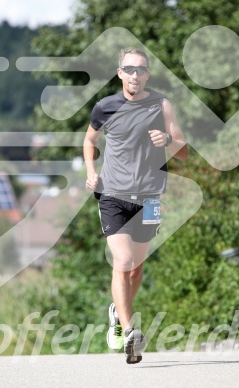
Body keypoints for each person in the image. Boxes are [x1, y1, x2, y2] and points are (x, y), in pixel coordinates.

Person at [83, 48, 188, 364]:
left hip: (151, 198)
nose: (135, 75)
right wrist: (91, 172)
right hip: (113, 194)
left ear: (147, 75)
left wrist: (168, 142)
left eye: (140, 70)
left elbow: (183, 150)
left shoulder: (162, 105)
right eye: (129, 69)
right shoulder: (105, 107)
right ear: (120, 73)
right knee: (124, 260)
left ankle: (117, 312)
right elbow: (89, 140)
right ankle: (130, 331)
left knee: (137, 268)